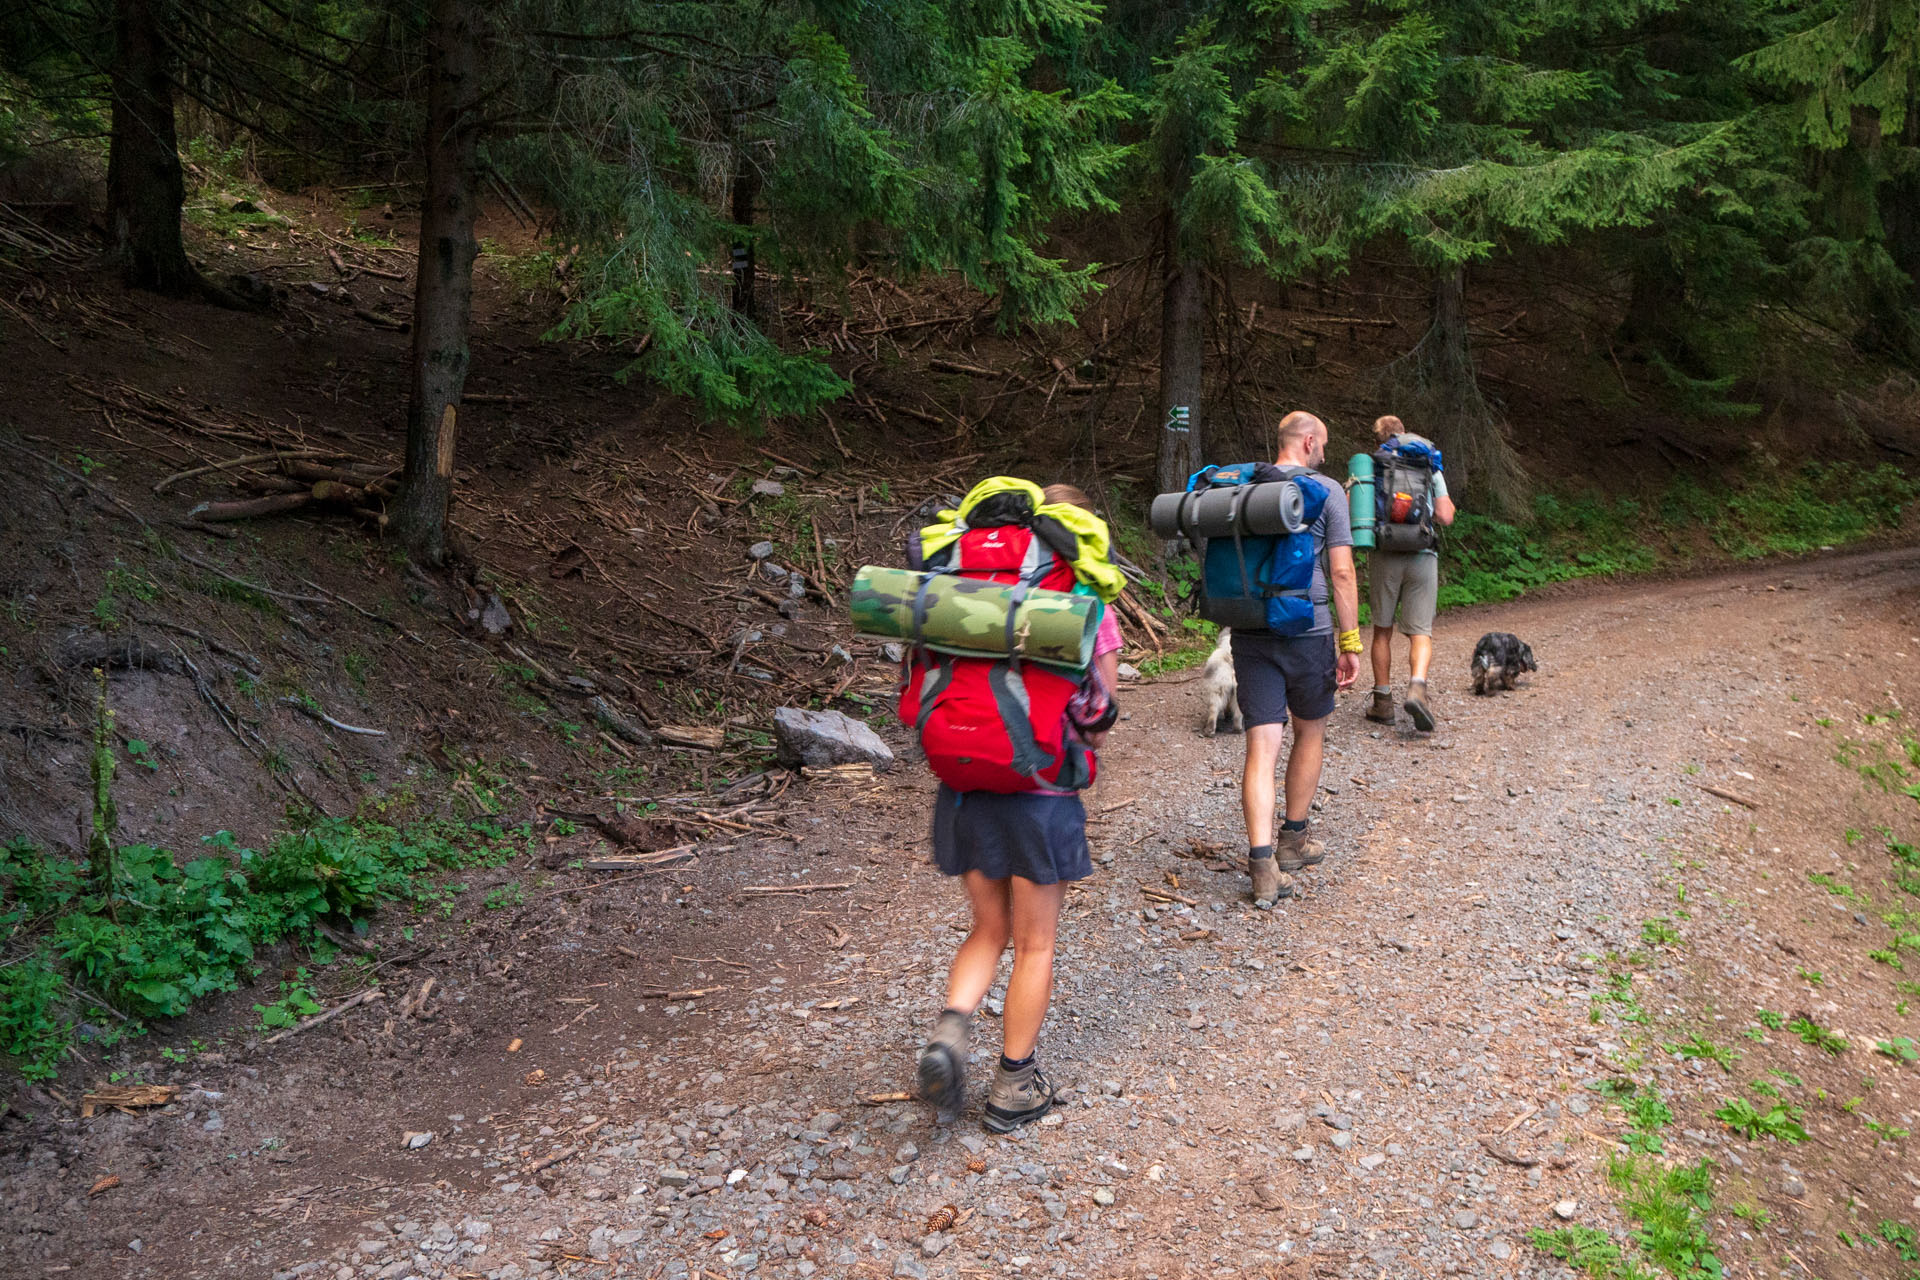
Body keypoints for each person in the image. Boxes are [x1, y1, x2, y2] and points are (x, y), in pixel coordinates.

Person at [917, 483, 1123, 1133]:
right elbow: (1097, 712)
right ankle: (1014, 1084)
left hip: (963, 781)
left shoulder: (963, 580)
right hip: (1040, 790)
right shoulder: (1079, 589)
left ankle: (950, 1035)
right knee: (1036, 943)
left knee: (988, 929)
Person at [1232, 412, 1362, 906]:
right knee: (1310, 731)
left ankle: (1262, 866)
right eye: (1323, 444)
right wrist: (1349, 643)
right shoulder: (1327, 490)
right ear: (1309, 442)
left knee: (1260, 749)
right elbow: (1343, 572)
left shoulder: (1247, 486)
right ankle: (1293, 840)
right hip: (1308, 630)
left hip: (1250, 628)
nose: (1325, 453)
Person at [1364, 414, 1456, 731]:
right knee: (1420, 632)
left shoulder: (1376, 463)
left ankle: (1383, 702)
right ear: (1404, 432)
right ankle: (1417, 687)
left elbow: (1357, 508)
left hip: (1385, 553)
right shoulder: (1427, 461)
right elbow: (1445, 515)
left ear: (1379, 440)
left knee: (1382, 630)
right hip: (1422, 553)